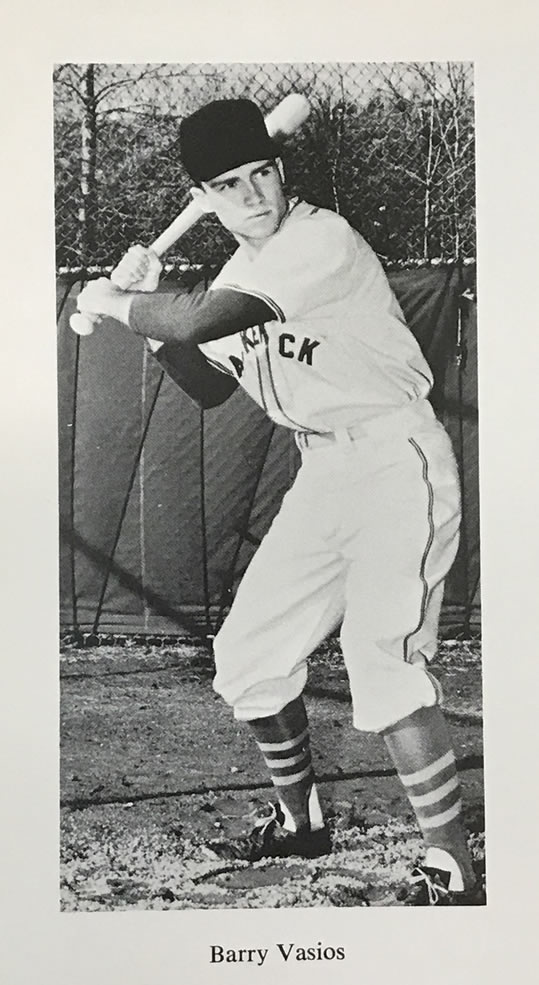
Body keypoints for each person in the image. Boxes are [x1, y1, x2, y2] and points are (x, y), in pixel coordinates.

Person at [75, 97, 482, 906]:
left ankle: (449, 864)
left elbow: (210, 316)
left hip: (395, 459)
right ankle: (299, 821)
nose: (255, 194)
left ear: (281, 170)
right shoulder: (235, 274)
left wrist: (113, 301)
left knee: (383, 658)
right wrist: (150, 327)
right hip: (323, 474)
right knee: (248, 658)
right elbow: (206, 386)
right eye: (230, 183)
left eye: (263, 172)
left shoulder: (318, 240)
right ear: (207, 194)